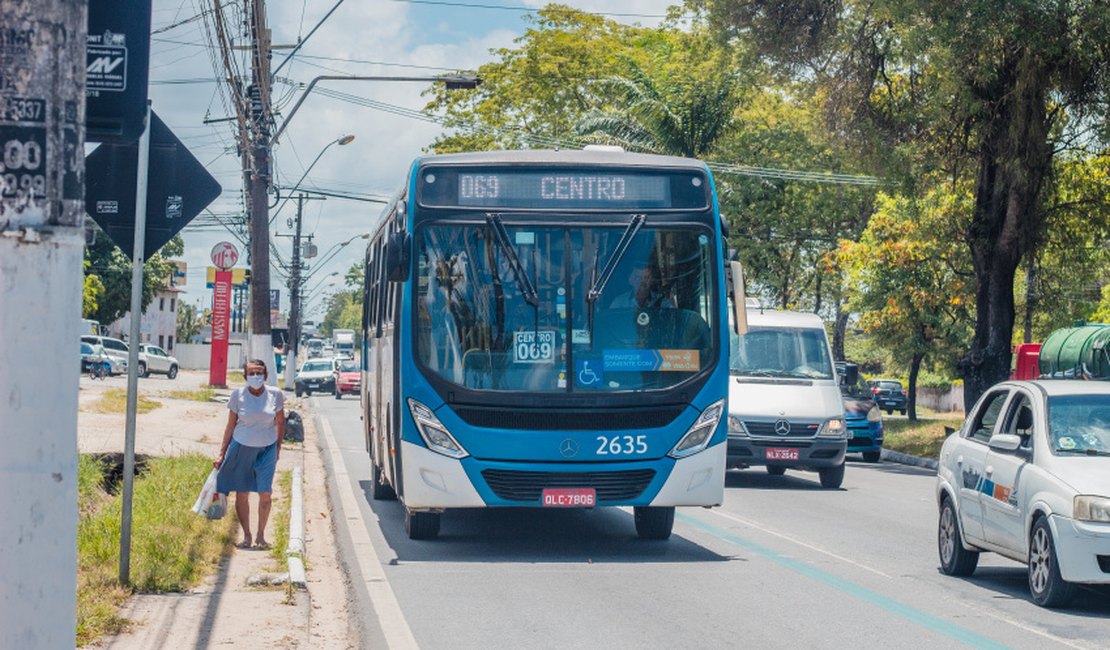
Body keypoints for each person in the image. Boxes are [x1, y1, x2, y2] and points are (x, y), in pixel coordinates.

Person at [215, 359, 285, 549]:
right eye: (252, 373)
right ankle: (247, 536)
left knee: (265, 493)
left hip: (267, 448)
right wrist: (222, 453)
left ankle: (261, 536)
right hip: (241, 447)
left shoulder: (275, 395)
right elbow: (230, 425)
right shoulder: (238, 395)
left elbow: (280, 422)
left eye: (259, 372)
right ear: (245, 376)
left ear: (266, 375)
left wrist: (277, 448)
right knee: (242, 493)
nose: (256, 376)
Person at [608, 262, 674, 311]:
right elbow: (610, 324)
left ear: (652, 281)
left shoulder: (664, 303)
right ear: (630, 280)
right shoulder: (619, 303)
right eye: (637, 277)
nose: (642, 282)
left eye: (646, 278)